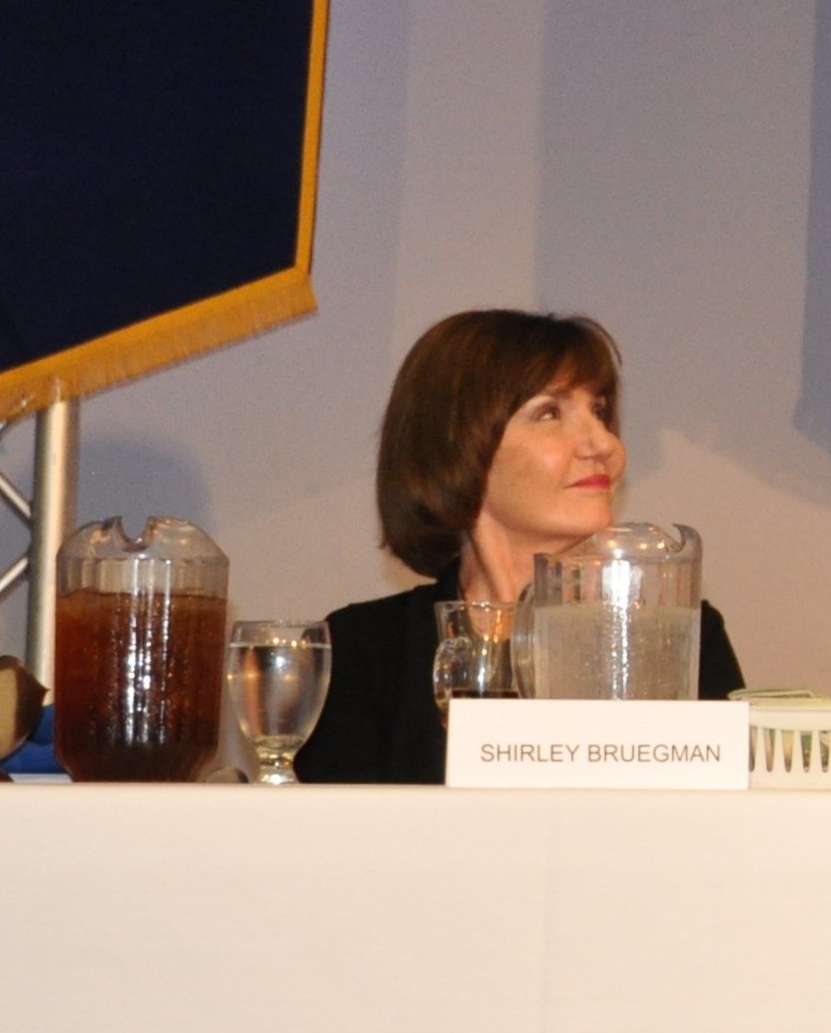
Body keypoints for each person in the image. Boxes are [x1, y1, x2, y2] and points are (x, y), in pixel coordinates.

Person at [302, 309, 741, 785]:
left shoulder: (679, 637)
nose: (604, 444)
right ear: (459, 445)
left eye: (599, 411)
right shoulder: (361, 648)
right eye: (550, 413)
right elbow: (337, 830)